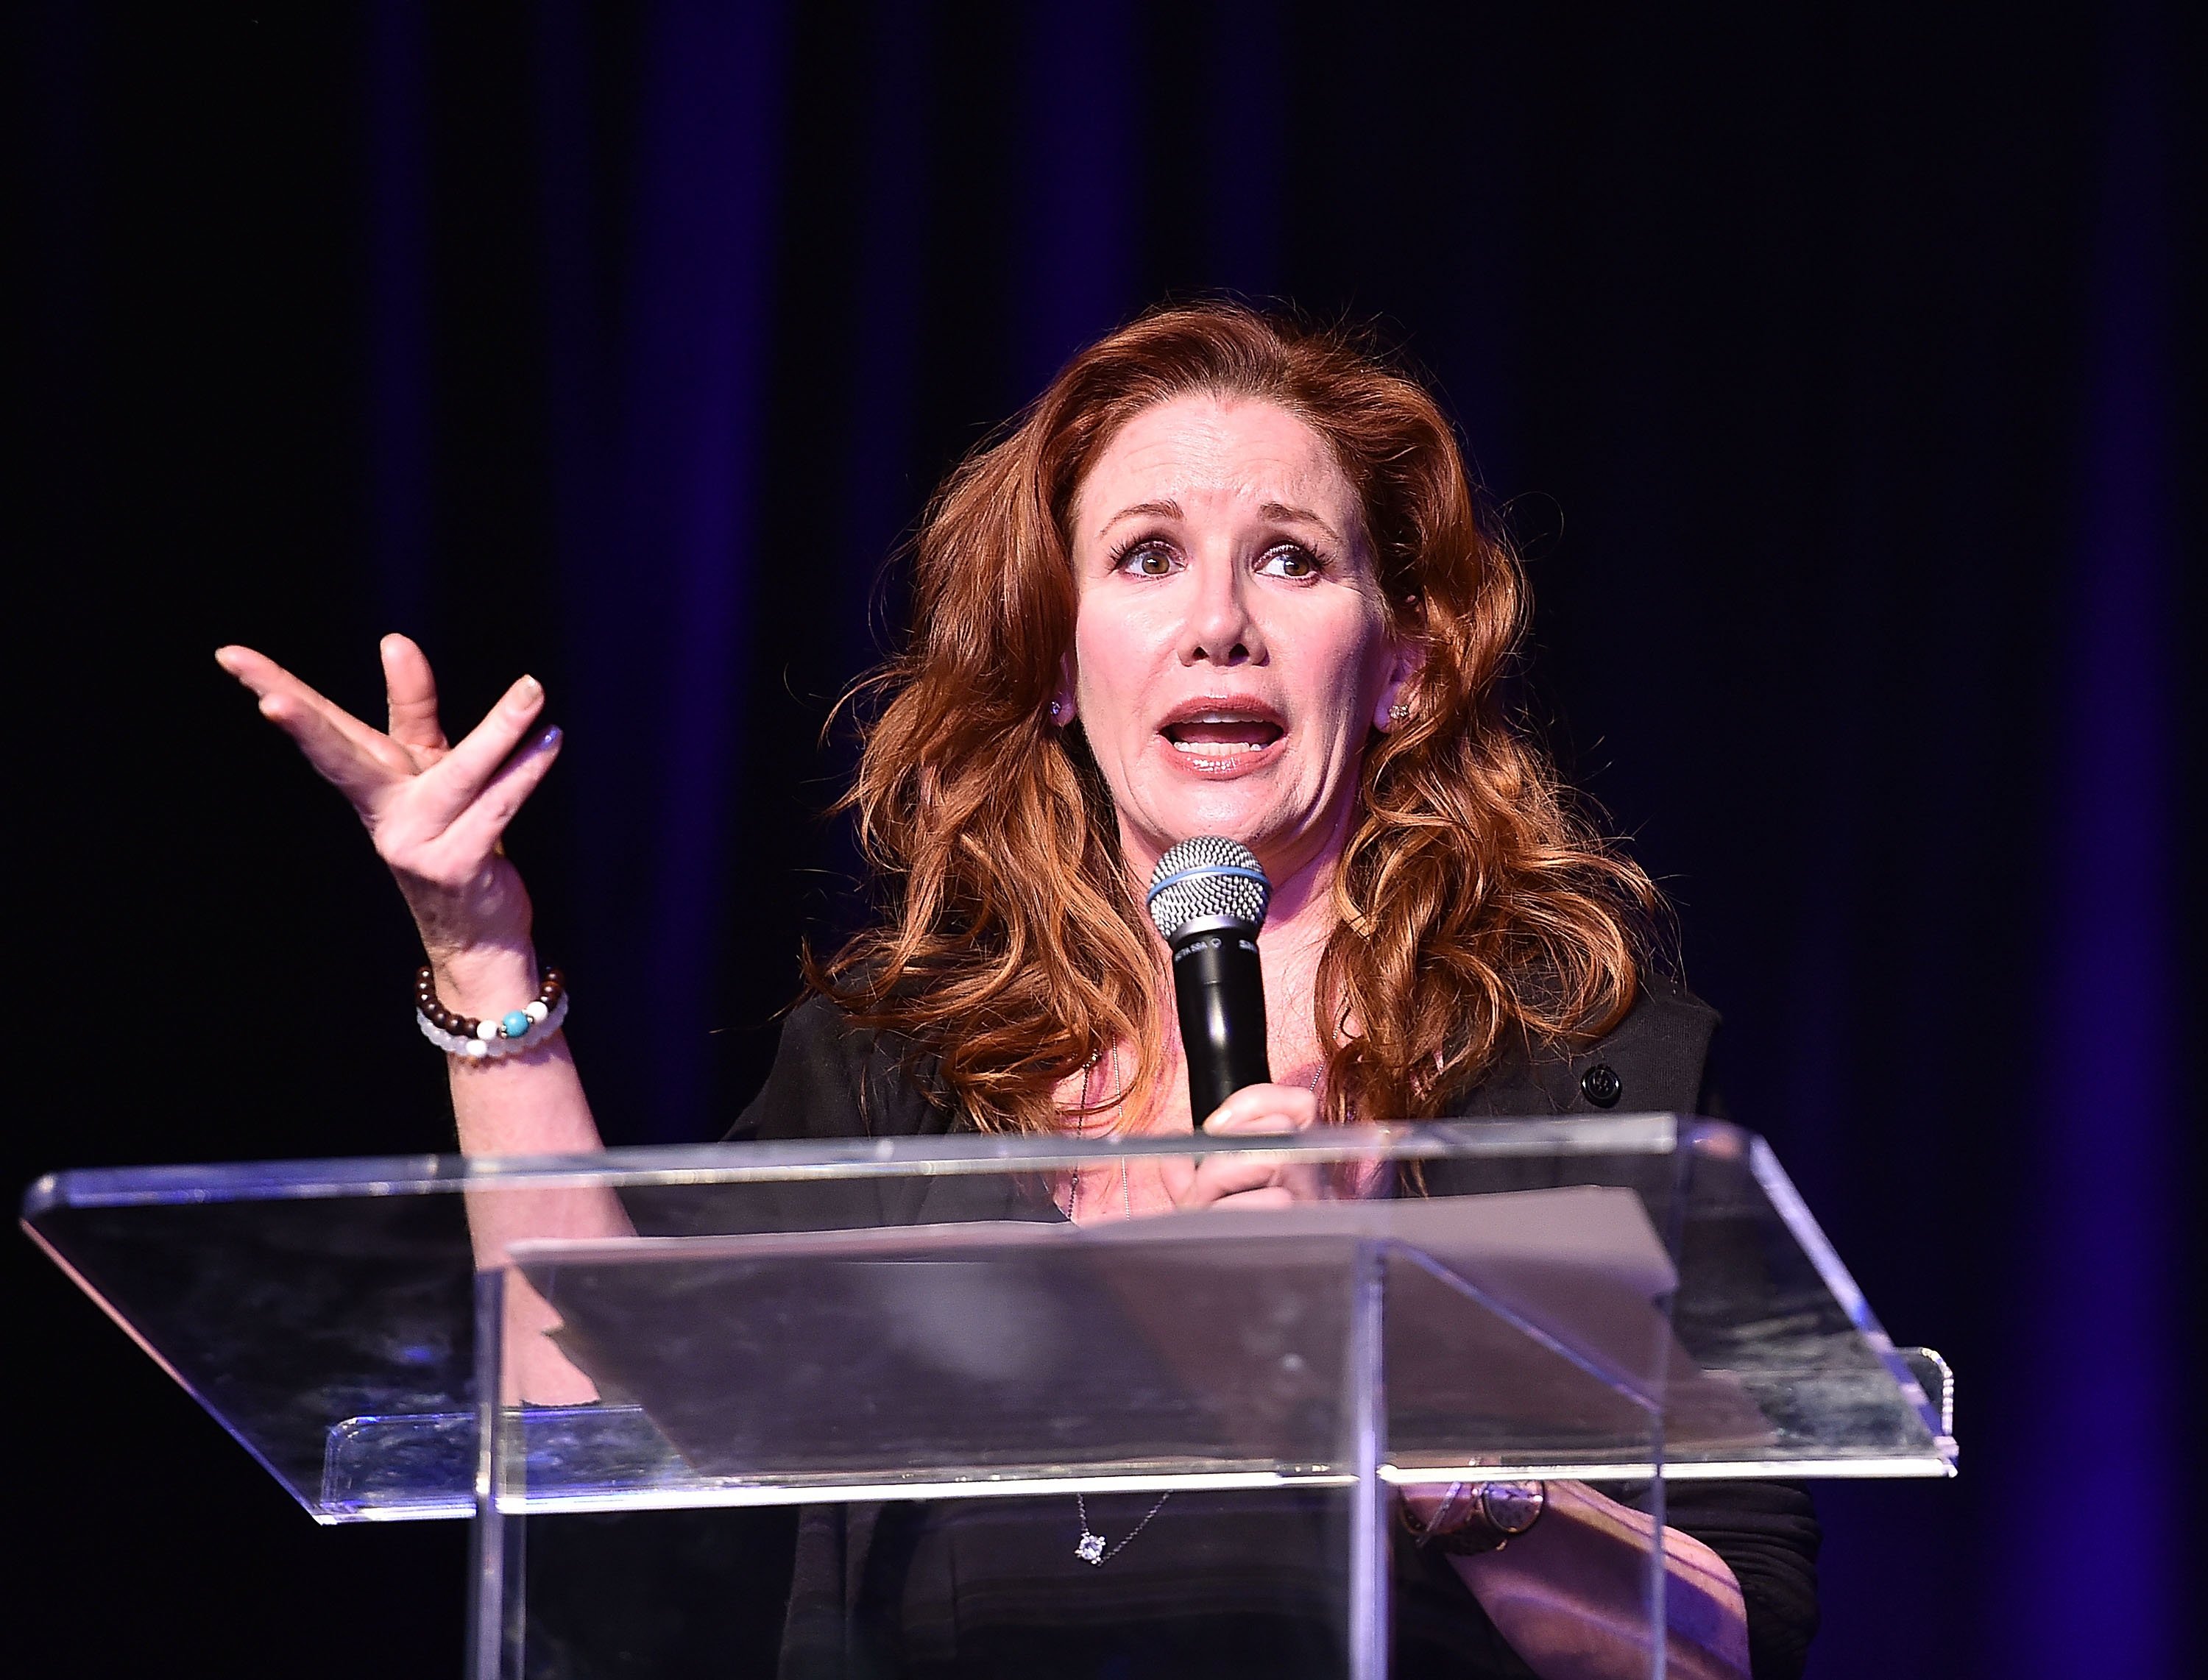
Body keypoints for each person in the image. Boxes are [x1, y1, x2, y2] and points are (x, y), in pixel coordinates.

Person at [216, 302, 1818, 1679]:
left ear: (1399, 661)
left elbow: (1721, 1641)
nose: (1217, 623)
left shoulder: (1588, 1086)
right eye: (1146, 557)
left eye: (1290, 558)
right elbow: (591, 1455)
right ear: (1061, 661)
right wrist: (480, 951)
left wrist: (1407, 1400)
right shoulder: (887, 1078)